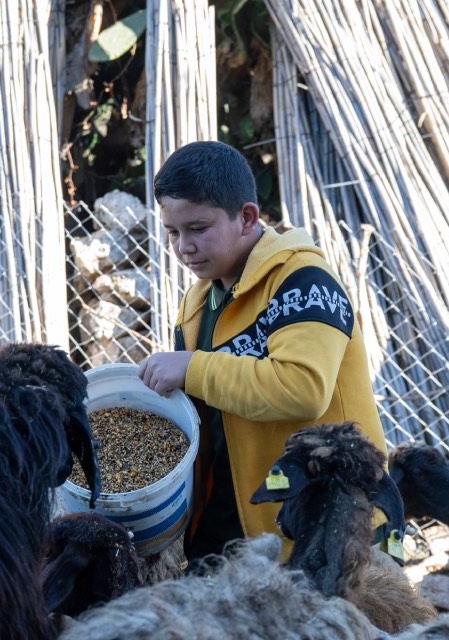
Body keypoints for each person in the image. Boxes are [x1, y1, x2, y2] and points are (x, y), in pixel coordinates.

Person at [137, 141, 387, 561]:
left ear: (247, 217)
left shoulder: (302, 281)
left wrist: (193, 369)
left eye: (198, 229)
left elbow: (303, 388)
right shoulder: (197, 303)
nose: (183, 247)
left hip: (326, 530)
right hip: (230, 532)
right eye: (173, 232)